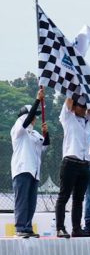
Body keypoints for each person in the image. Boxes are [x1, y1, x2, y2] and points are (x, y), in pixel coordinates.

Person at [11, 88, 49, 238]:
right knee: (22, 200)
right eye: (33, 115)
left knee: (31, 202)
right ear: (26, 116)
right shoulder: (18, 128)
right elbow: (26, 121)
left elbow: (45, 146)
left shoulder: (34, 133)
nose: (36, 118)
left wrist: (47, 134)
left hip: (34, 170)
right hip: (22, 168)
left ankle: (27, 227)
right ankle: (20, 227)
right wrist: (38, 100)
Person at [55, 94, 90, 238]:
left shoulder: (86, 121)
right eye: (81, 106)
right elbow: (68, 99)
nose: (84, 109)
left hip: (84, 164)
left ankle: (76, 229)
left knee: (79, 199)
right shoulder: (68, 117)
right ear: (74, 106)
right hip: (70, 162)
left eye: (85, 106)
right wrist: (74, 85)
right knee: (64, 196)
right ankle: (60, 228)